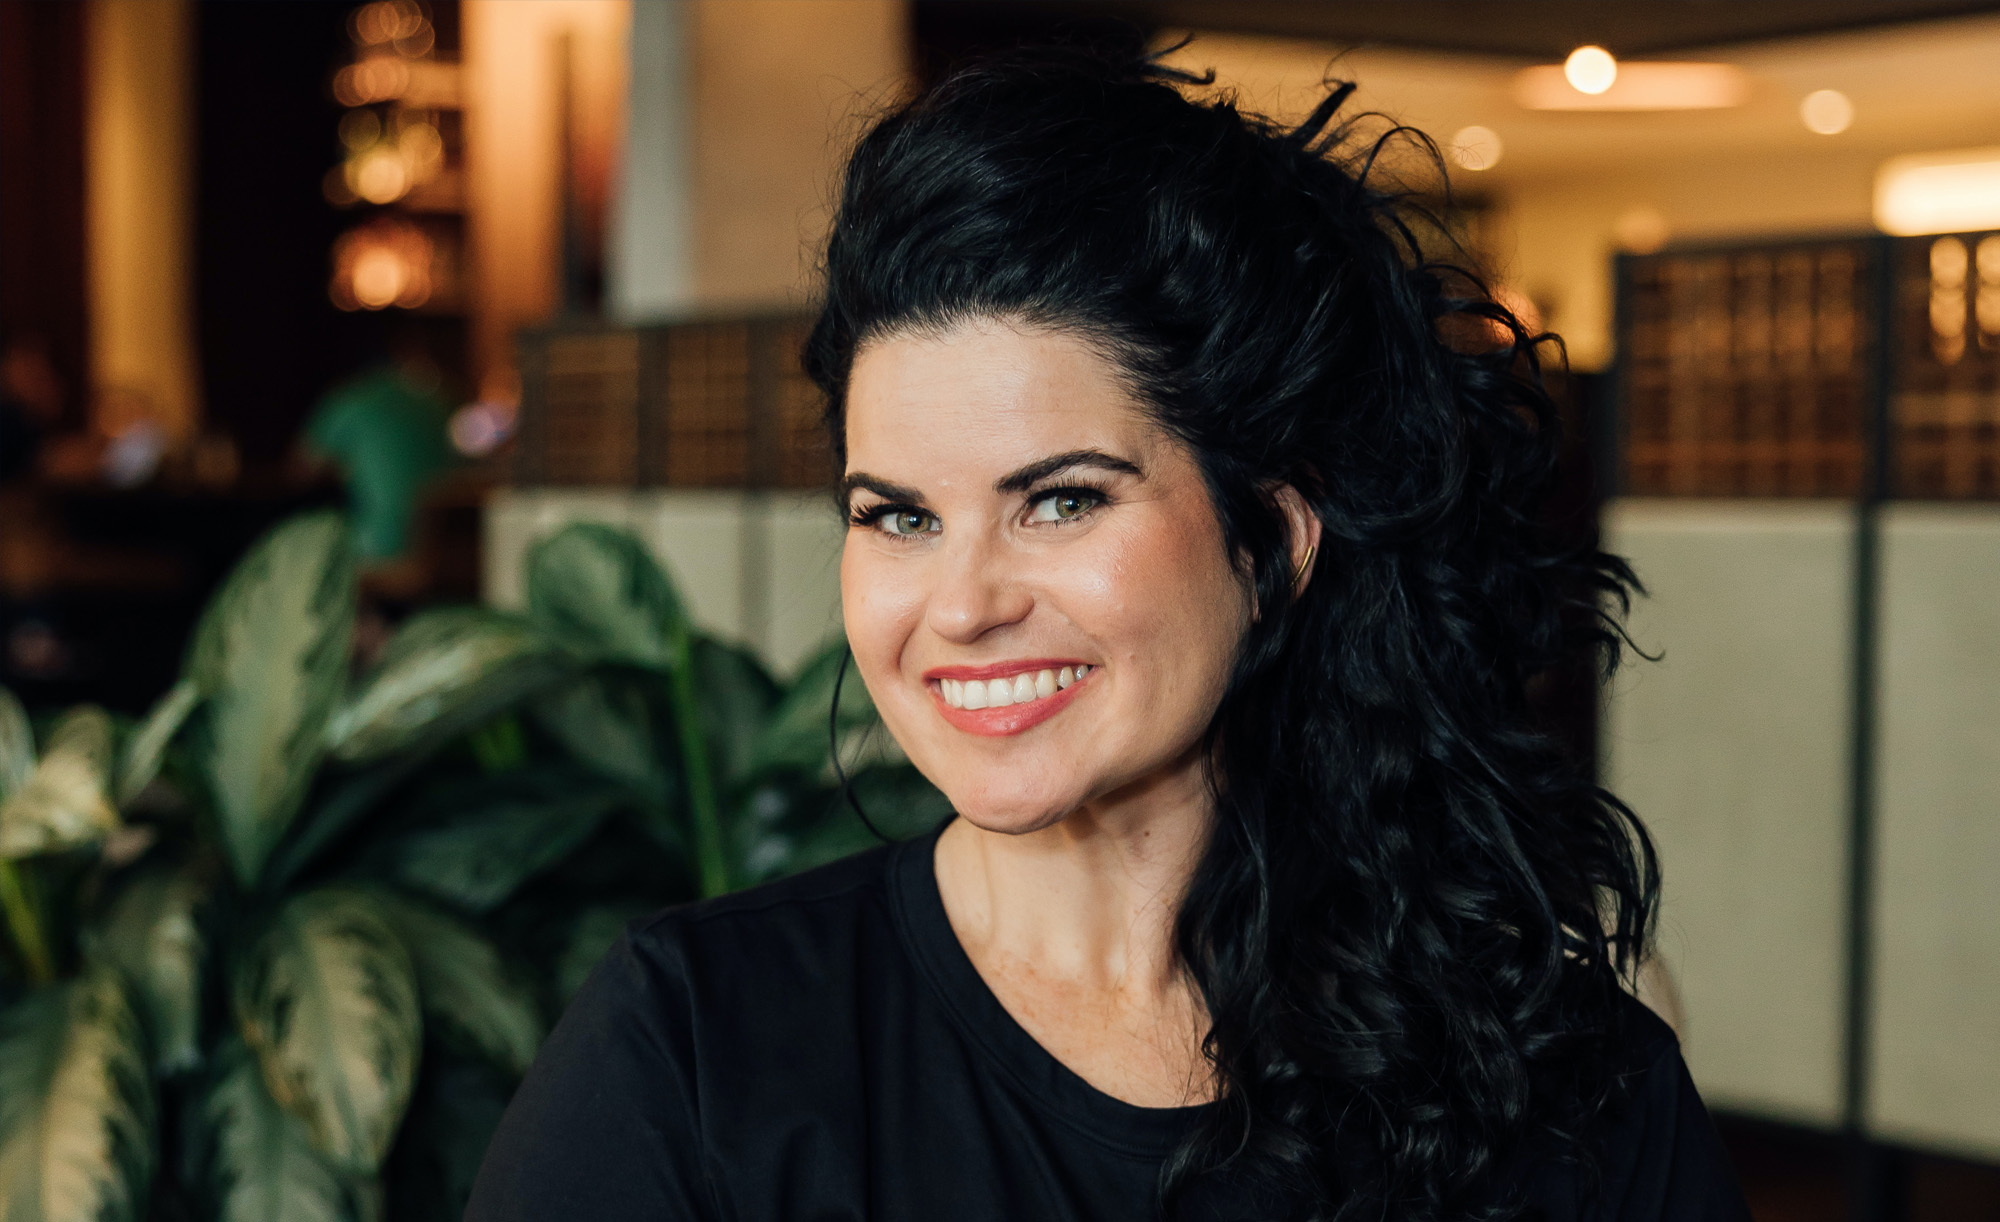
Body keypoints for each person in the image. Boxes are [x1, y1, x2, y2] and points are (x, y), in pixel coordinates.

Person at [468, 45, 1749, 1222]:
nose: (962, 605)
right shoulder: (696, 1046)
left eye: (1060, 499)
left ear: (1274, 536)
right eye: (899, 517)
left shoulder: (1559, 1074)